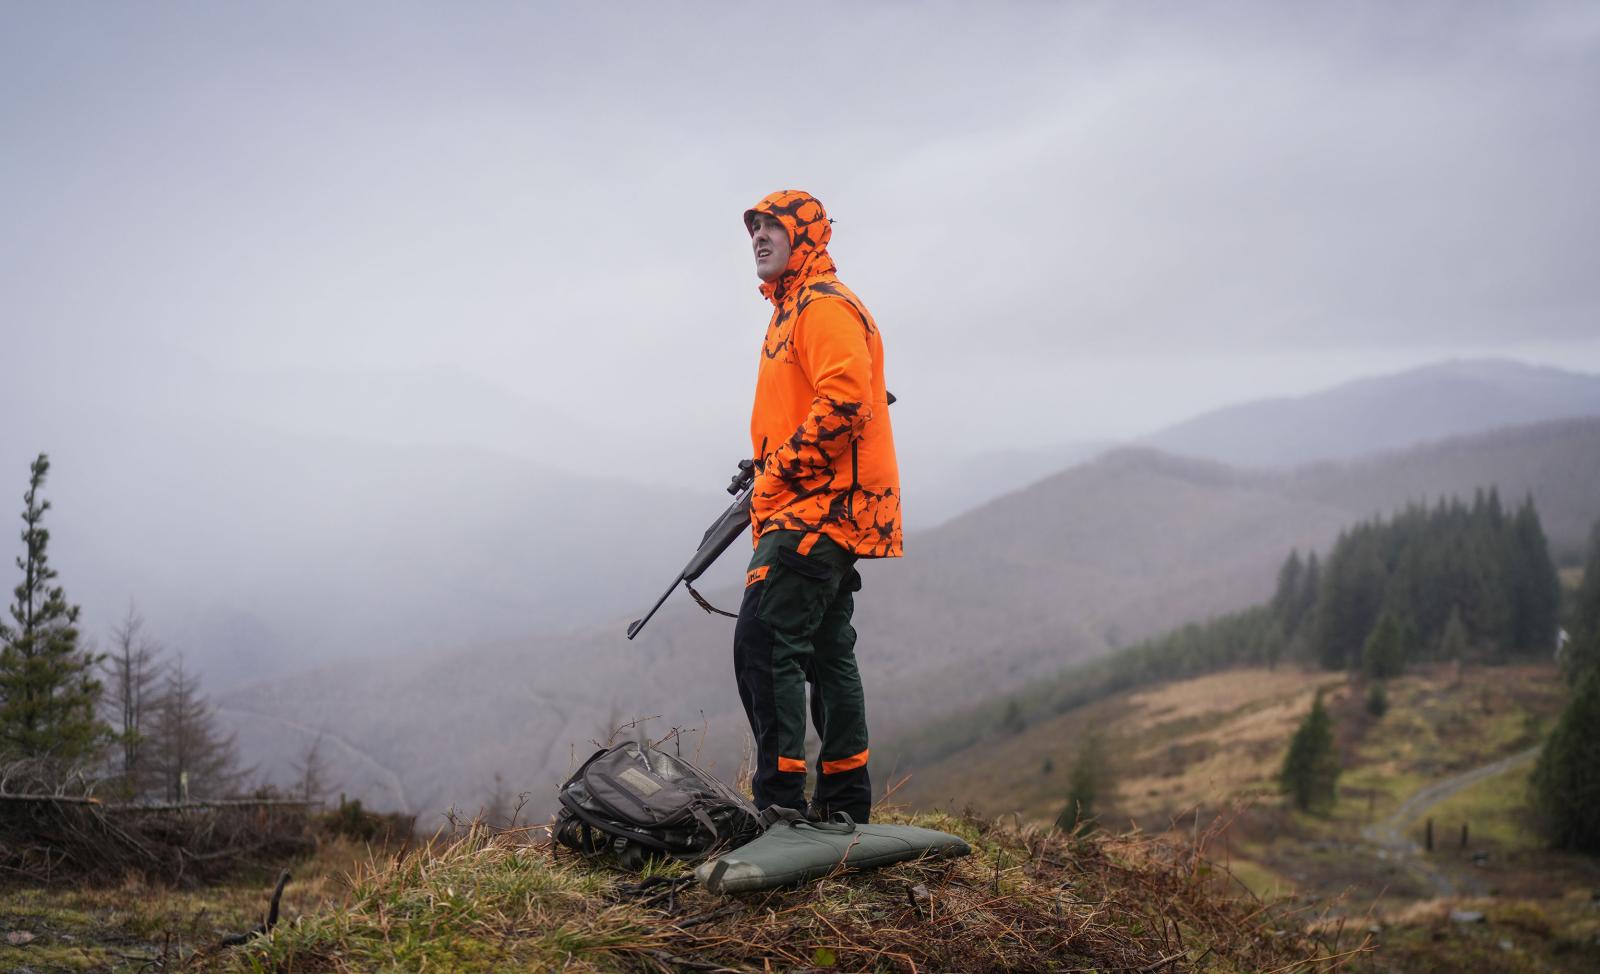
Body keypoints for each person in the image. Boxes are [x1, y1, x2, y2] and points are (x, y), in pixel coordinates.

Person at [734, 189, 901, 824]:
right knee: (828, 651)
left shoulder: (823, 307)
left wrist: (780, 470)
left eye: (773, 226)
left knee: (764, 640)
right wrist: (767, 464)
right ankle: (845, 803)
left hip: (817, 509)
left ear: (807, 236)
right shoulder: (788, 311)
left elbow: (848, 402)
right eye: (753, 228)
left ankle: (781, 802)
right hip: (809, 505)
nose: (759, 236)